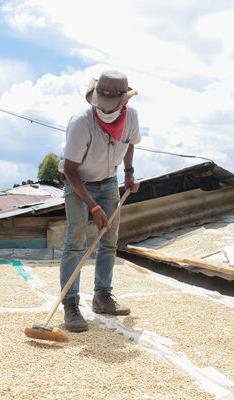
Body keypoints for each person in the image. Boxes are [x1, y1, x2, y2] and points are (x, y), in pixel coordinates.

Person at [58, 70, 141, 332]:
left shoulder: (132, 118)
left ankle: (102, 296)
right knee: (76, 242)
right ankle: (70, 305)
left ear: (123, 103)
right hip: (78, 182)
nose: (105, 110)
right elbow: (69, 170)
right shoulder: (81, 122)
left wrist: (128, 173)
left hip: (108, 181)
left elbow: (129, 144)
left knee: (109, 240)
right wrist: (92, 206)